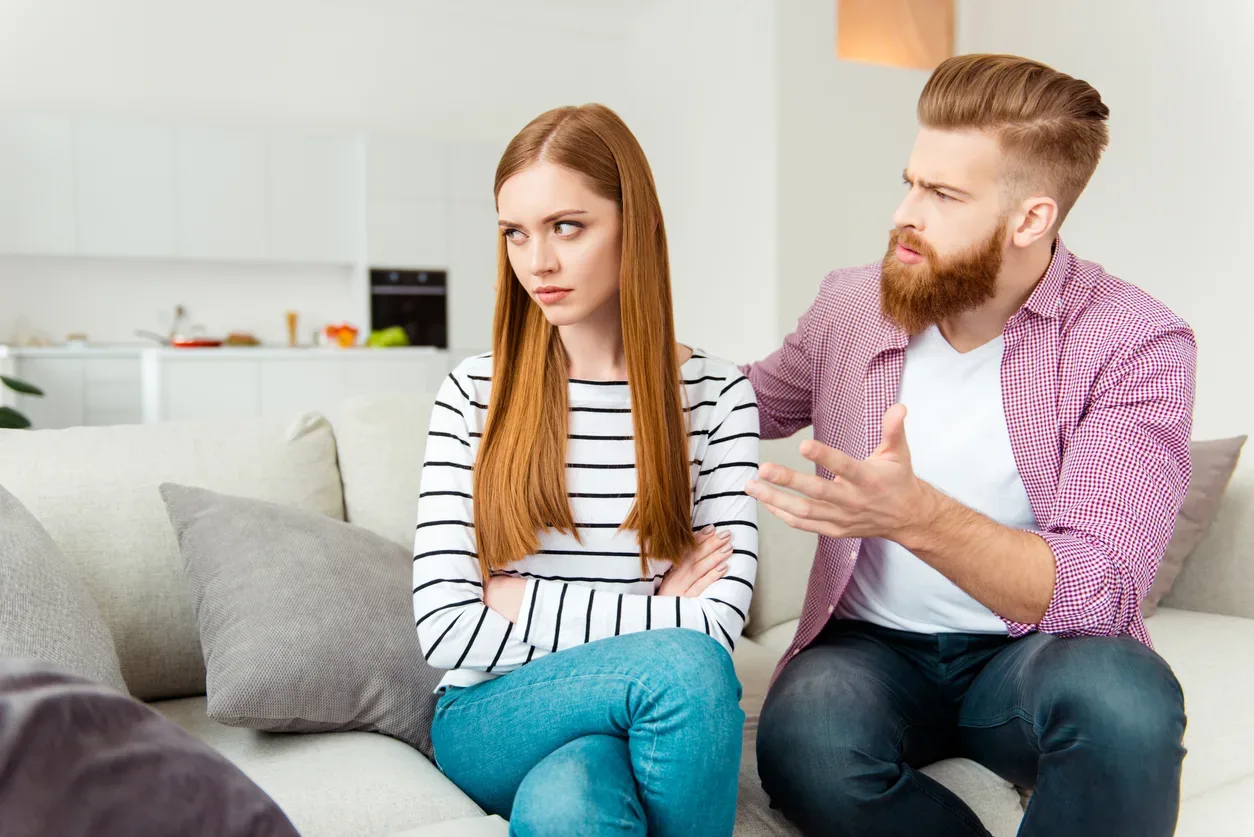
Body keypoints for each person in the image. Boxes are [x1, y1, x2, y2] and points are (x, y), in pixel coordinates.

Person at [743, 54, 1195, 837]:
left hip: (1029, 654)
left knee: (1128, 702)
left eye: (943, 195)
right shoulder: (853, 302)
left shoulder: (1135, 340)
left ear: (1030, 220)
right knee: (807, 741)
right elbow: (748, 398)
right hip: (869, 649)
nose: (904, 213)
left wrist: (914, 516)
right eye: (911, 182)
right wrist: (627, 352)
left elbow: (1097, 589)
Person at [412, 103, 760, 837]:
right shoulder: (474, 392)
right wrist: (656, 617)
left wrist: (519, 598)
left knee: (571, 803)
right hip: (490, 712)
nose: (537, 261)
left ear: (638, 225)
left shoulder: (717, 394)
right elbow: (445, 628)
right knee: (684, 669)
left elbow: (719, 623)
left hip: (636, 710)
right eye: (515, 232)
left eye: (566, 226)